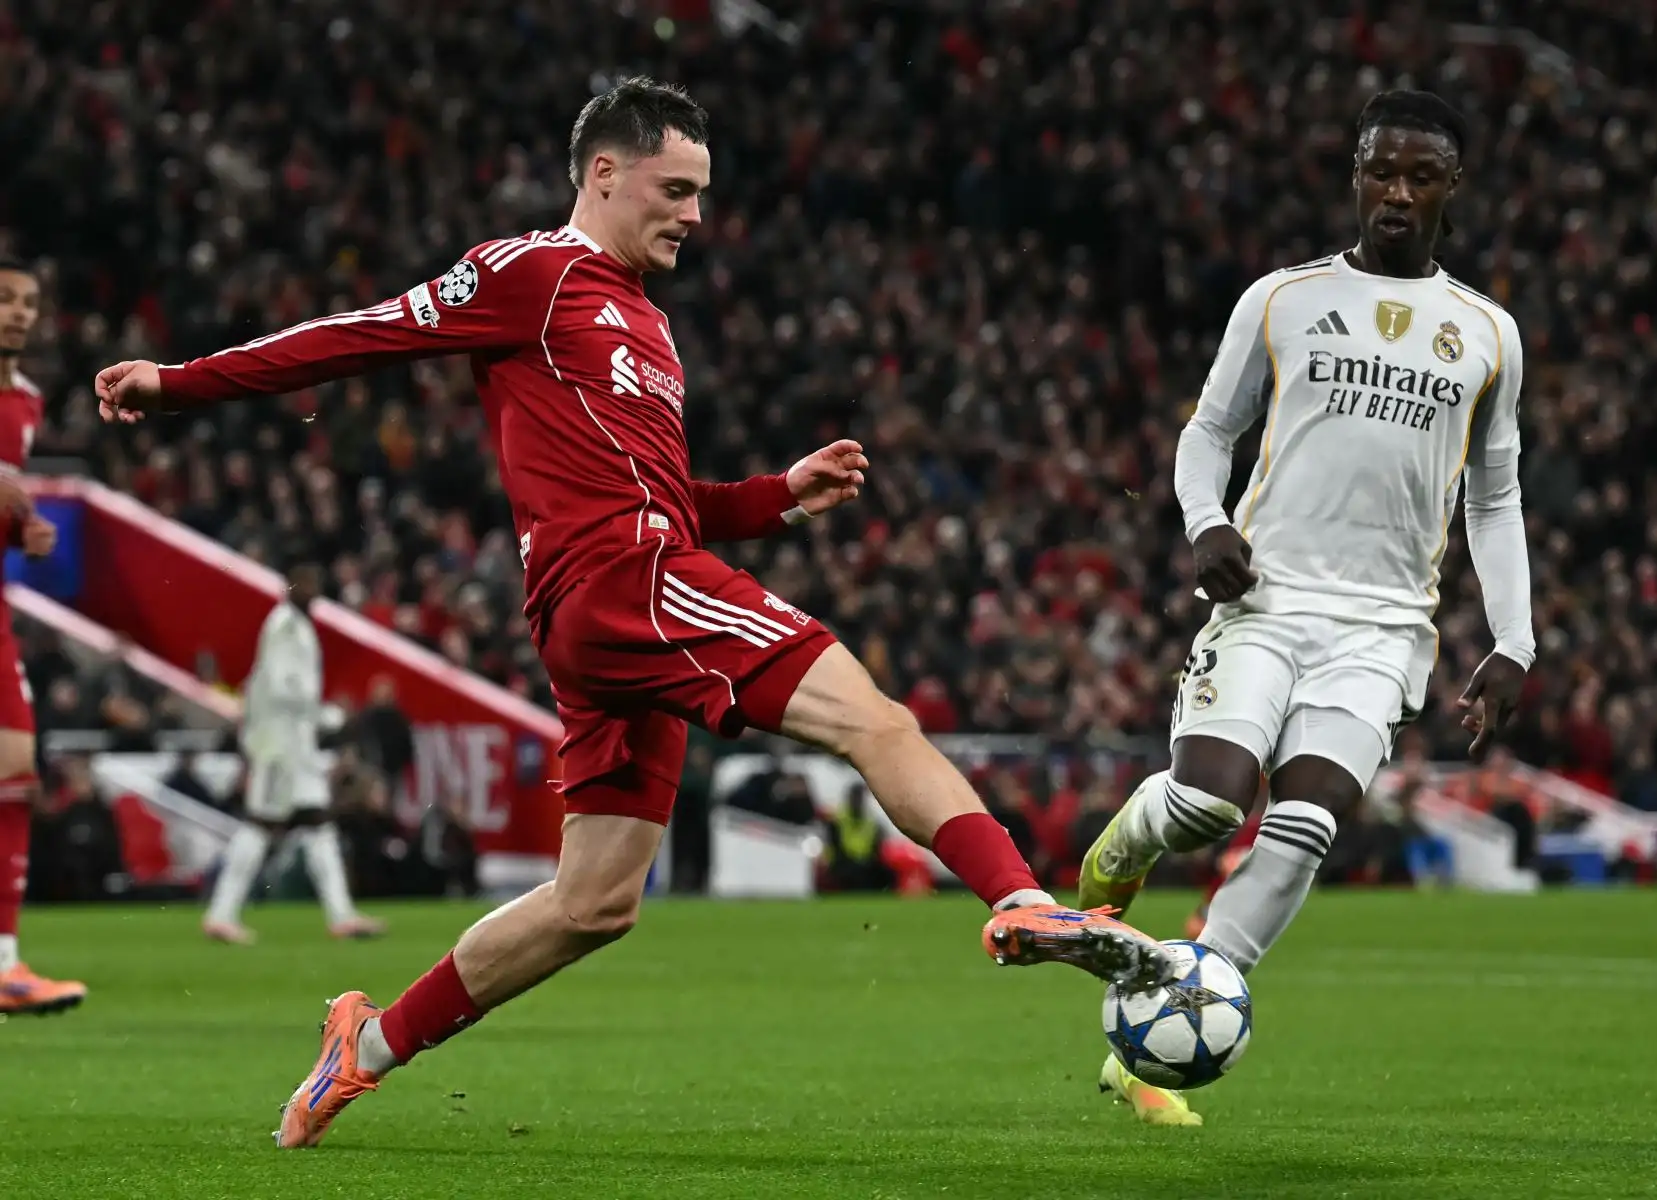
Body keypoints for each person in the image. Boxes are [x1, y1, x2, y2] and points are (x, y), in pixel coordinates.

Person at [93, 77, 1173, 1148]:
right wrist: (178, 384)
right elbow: (357, 333)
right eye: (676, 188)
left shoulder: (646, 322)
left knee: (594, 903)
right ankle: (1019, 898)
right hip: (625, 583)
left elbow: (668, 496)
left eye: (701, 193)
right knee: (874, 719)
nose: (695, 214)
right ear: (604, 173)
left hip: (616, 604)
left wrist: (779, 496)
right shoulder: (530, 272)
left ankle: (363, 1047)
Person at [1080, 91, 1534, 1126]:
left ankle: (1162, 1032)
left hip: (1382, 630)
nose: (1398, 192)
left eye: (1421, 175)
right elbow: (1208, 432)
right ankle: (1122, 849)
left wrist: (1514, 642)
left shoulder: (1488, 335)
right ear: (1355, 174)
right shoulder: (1282, 300)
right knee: (1208, 805)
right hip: (1268, 601)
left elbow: (1495, 497)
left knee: (1307, 819)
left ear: (1452, 188)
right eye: (1382, 170)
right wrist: (1206, 524)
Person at [202, 561, 386, 944]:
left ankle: (342, 916)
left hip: (296, 747)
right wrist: (326, 715)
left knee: (319, 824)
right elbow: (282, 688)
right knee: (260, 825)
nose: (313, 590)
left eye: (315, 583)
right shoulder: (284, 625)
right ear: (290, 586)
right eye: (305, 583)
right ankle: (220, 914)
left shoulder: (295, 625)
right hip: (280, 747)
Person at [0, 257, 86, 1016]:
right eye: (4, 299)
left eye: (27, 302)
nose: (18, 312)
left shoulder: (26, 400)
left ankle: (5, 963)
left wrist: (21, 531)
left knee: (18, 771)